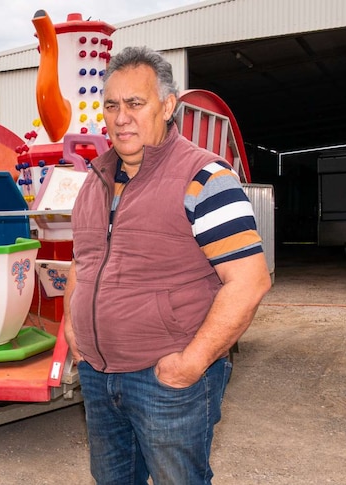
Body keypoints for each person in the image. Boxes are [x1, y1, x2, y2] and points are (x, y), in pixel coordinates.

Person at [62, 46, 272, 485]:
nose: (121, 118)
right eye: (113, 105)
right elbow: (83, 264)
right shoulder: (93, 181)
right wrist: (72, 327)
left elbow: (249, 282)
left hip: (167, 380)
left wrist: (192, 363)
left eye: (135, 104)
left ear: (168, 105)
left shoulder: (205, 177)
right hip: (99, 378)